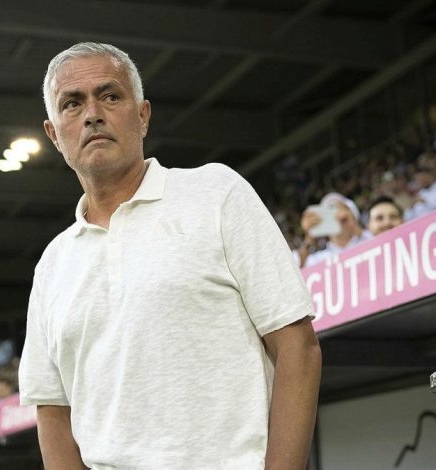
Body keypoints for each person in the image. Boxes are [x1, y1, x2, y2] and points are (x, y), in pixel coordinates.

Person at [19, 42, 321, 470]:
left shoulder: (216, 194)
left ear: (142, 116)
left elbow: (297, 347)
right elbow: (53, 409)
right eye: (72, 103)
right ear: (54, 134)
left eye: (110, 96)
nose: (92, 114)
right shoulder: (52, 264)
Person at [298, 192, 372, 267]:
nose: (335, 215)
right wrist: (310, 236)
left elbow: (376, 241)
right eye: (328, 213)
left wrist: (354, 227)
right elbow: (299, 268)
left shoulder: (368, 239)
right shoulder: (320, 259)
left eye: (340, 208)